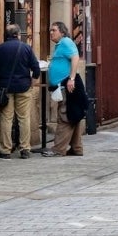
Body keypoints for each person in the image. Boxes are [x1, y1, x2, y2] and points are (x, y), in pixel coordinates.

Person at [0, 24, 41, 159]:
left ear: (7, 35)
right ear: (18, 35)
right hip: (23, 87)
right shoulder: (26, 48)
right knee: (24, 118)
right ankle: (25, 149)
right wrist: (32, 82)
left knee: (6, 119)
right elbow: (36, 68)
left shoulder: (0, 48)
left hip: (5, 88)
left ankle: (5, 150)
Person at [42, 21, 85, 157]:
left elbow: (75, 57)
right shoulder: (60, 45)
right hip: (65, 84)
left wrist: (71, 79)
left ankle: (58, 149)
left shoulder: (66, 42)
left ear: (62, 32)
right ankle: (76, 148)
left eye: (53, 30)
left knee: (65, 116)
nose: (51, 33)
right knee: (73, 115)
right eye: (50, 30)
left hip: (68, 84)